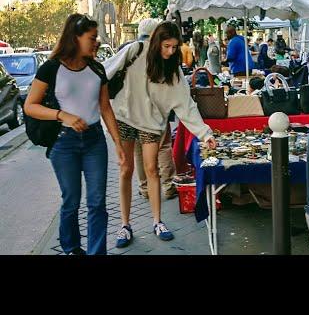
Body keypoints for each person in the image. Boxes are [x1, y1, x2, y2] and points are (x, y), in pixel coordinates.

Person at [104, 21, 216, 248]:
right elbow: (105, 71)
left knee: (152, 169)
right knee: (126, 170)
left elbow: (186, 104)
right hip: (124, 117)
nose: (170, 52)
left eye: (174, 47)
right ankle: (125, 225)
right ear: (156, 42)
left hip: (152, 123)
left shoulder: (172, 70)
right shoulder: (135, 50)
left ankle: (157, 221)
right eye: (166, 46)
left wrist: (205, 134)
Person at [24, 14, 126, 255]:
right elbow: (30, 106)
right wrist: (62, 116)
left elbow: (105, 108)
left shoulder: (97, 68)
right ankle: (71, 247)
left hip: (94, 141)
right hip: (64, 142)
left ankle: (96, 252)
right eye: (91, 38)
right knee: (71, 200)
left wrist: (118, 144)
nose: (96, 43)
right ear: (75, 38)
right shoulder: (51, 68)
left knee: (97, 202)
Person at [118, 19, 178, 201]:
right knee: (164, 147)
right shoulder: (159, 52)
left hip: (132, 112)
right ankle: (168, 186)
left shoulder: (128, 49)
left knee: (138, 150)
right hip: (157, 110)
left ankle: (145, 188)